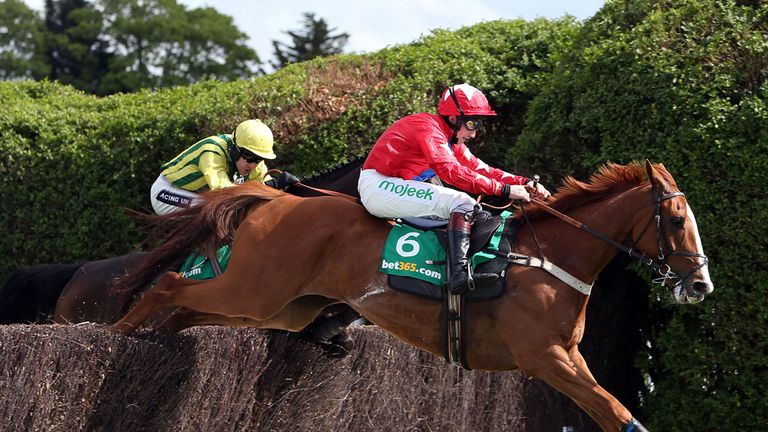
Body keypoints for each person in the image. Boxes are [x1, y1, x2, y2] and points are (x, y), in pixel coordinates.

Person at [358, 83, 551, 294]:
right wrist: (503, 190)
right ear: (453, 118)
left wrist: (523, 182)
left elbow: (482, 169)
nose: (474, 133)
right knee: (463, 203)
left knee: (468, 207)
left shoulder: (450, 138)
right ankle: (458, 274)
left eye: (479, 124)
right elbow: (450, 171)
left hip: (396, 185)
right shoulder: (428, 129)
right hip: (378, 185)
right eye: (472, 123)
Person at [150, 119, 296, 215]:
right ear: (235, 149)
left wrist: (282, 186)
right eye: (249, 156)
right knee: (215, 211)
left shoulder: (255, 164)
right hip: (166, 192)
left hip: (195, 195)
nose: (252, 164)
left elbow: (263, 187)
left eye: (258, 159)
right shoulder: (212, 150)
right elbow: (224, 192)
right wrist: (270, 186)